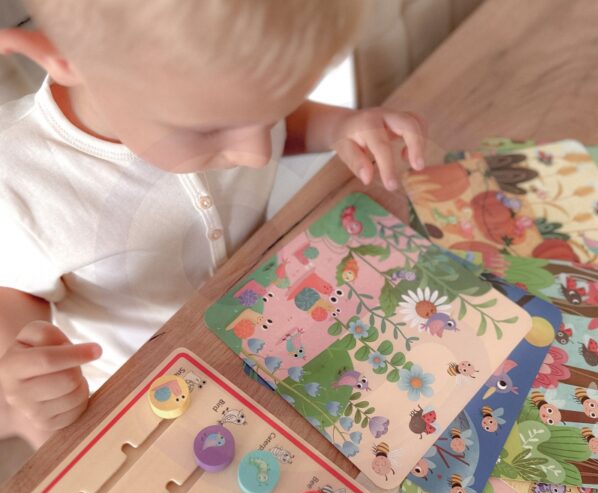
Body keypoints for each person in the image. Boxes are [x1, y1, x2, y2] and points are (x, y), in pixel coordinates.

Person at [0, 0, 426, 448]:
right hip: (147, 391)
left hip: (268, 323)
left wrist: (338, 125)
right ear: (69, 59)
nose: (258, 154)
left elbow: (268, 118)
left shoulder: (217, 95)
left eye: (269, 118)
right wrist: (29, 368)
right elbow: (15, 291)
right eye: (209, 130)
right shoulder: (18, 179)